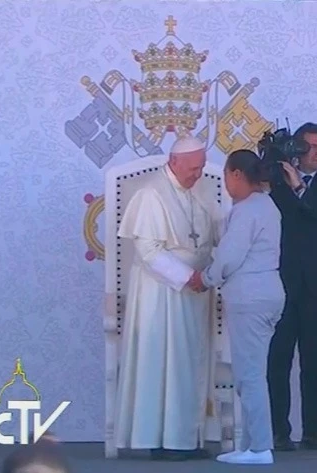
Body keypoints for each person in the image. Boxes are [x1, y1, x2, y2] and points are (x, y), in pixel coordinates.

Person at [113, 136, 222, 461]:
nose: (197, 175)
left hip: (195, 292)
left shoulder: (196, 193)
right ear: (174, 162)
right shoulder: (151, 194)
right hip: (161, 294)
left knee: (189, 365)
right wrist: (188, 278)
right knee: (164, 365)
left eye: (201, 168)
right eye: (193, 168)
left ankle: (185, 438)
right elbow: (148, 251)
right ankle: (163, 441)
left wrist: (207, 274)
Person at [189, 149, 286, 465]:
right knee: (251, 372)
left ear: (236, 174)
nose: (227, 185)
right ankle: (251, 445)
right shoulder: (267, 205)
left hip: (250, 297)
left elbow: (229, 256)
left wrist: (206, 277)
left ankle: (260, 448)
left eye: (226, 177)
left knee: (250, 374)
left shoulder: (246, 210)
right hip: (266, 293)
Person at [266, 122, 317, 451]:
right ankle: (278, 431)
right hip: (281, 282)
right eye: (312, 146)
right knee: (278, 359)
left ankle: (314, 430)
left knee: (314, 361)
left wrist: (299, 186)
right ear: (297, 149)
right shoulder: (274, 183)